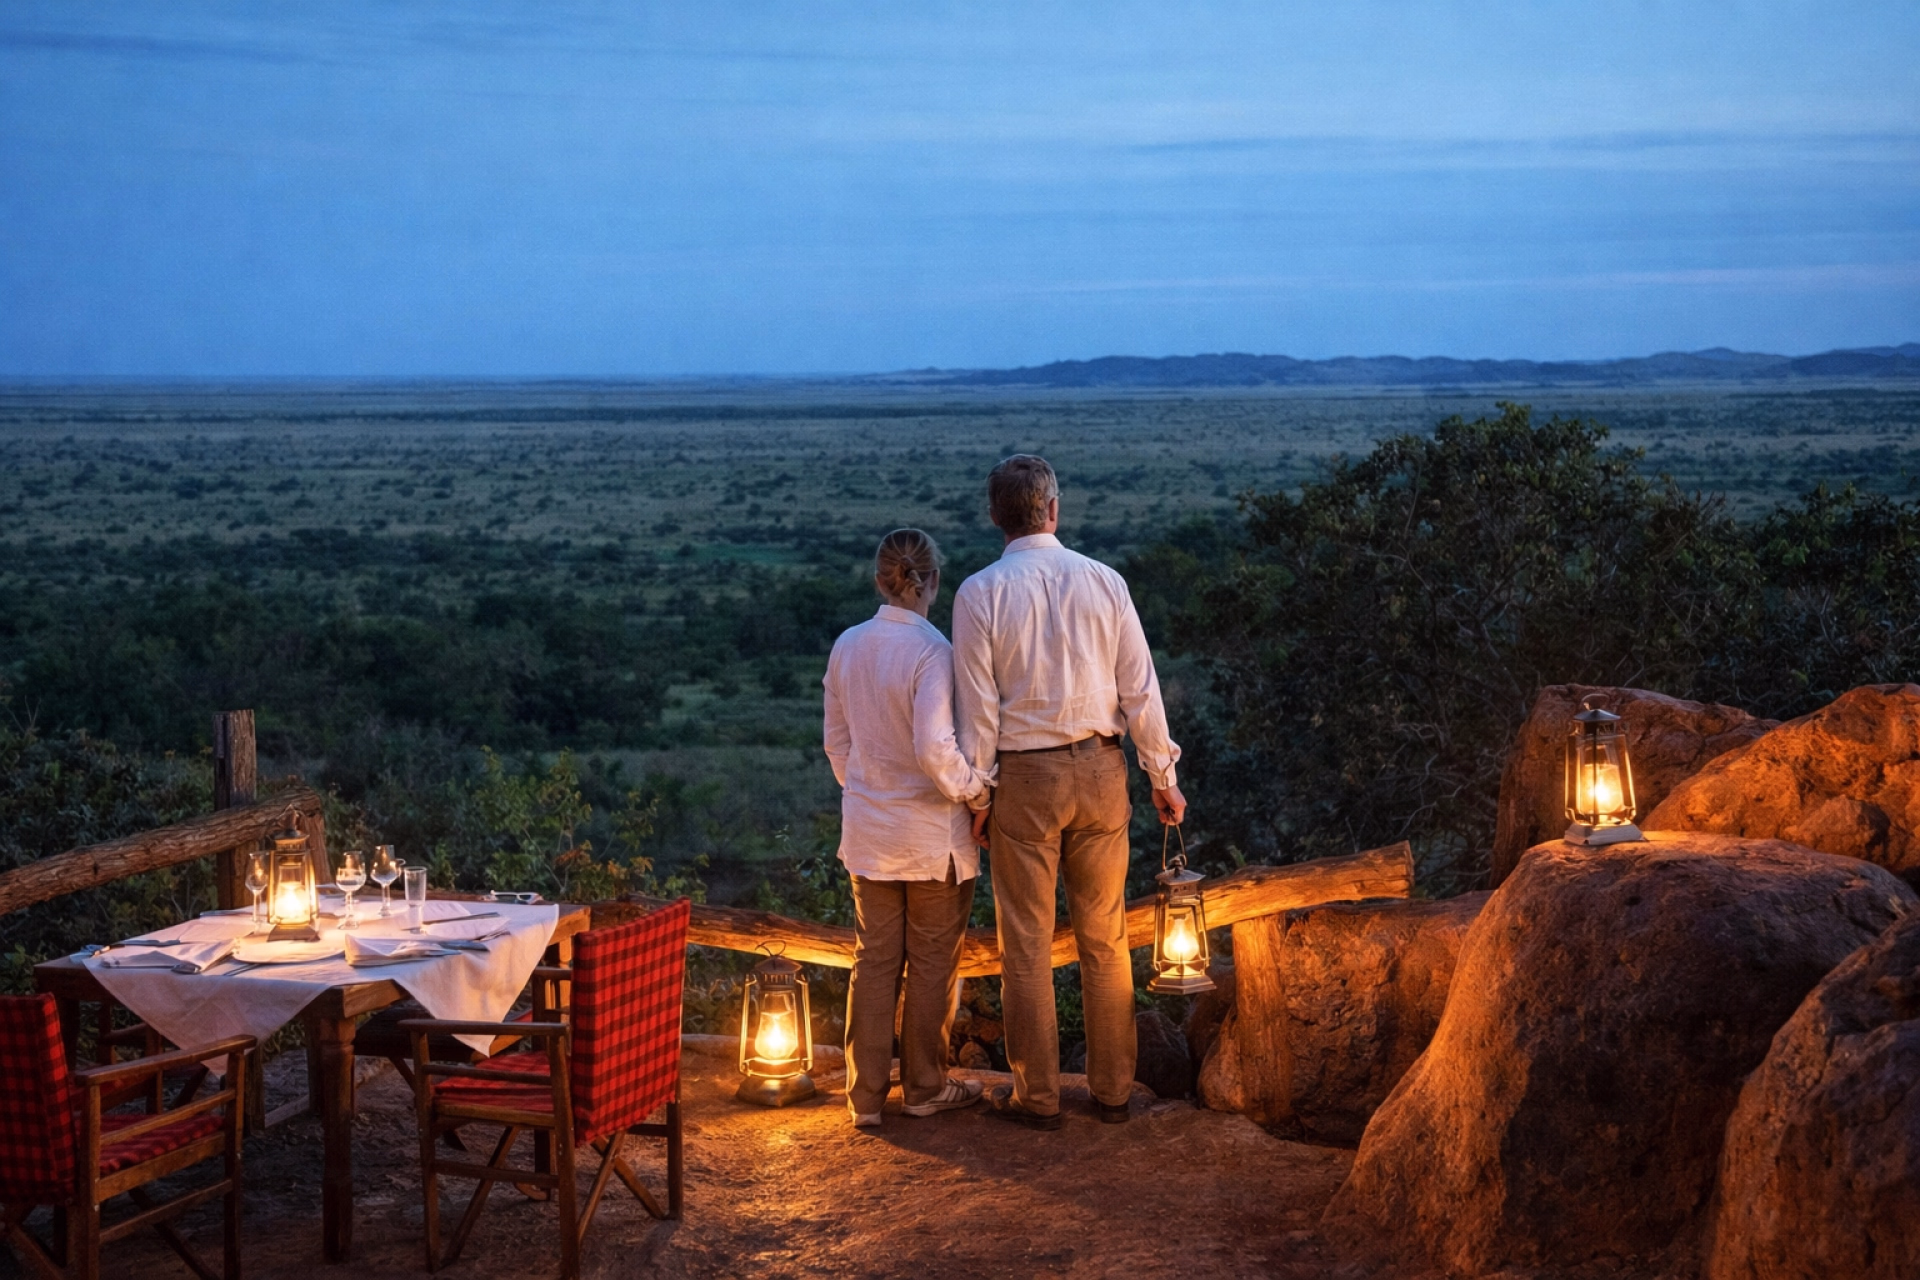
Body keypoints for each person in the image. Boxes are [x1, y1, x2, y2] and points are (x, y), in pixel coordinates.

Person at [952, 455, 1185, 1130]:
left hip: (1026, 777)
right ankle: (1113, 1092)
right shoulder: (1104, 581)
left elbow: (978, 713)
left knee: (1025, 942)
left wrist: (979, 797)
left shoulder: (978, 593)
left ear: (996, 517)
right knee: (1105, 937)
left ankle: (1039, 1097)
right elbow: (1141, 689)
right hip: (1103, 771)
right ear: (1054, 509)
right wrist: (1163, 779)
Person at [823, 528, 992, 1128]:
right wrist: (978, 790)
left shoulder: (847, 645)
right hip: (930, 840)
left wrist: (871, 794)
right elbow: (935, 749)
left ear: (879, 580)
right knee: (930, 964)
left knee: (873, 962)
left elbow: (837, 746)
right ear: (933, 582)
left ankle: (864, 1098)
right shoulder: (934, 651)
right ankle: (924, 1087)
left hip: (870, 833)